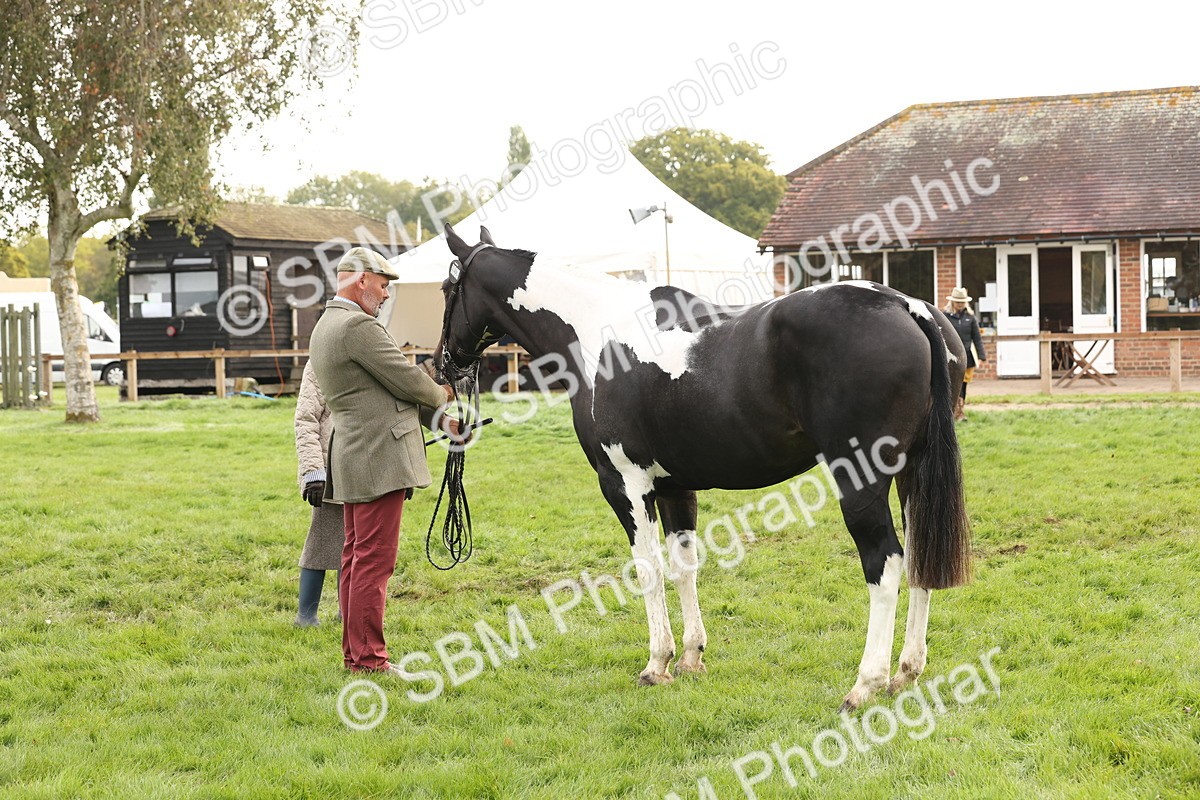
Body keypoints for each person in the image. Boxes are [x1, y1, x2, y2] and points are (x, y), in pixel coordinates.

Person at [308, 247, 465, 675]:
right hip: (377, 459)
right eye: (383, 284)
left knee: (356, 559)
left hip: (355, 455)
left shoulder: (327, 325)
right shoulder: (358, 326)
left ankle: (357, 658)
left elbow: (381, 393)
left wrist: (442, 423)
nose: (387, 294)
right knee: (374, 563)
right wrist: (442, 395)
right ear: (361, 280)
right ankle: (371, 662)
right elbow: (406, 378)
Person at [293, 359, 341, 627]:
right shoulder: (320, 361)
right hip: (328, 471)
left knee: (355, 544)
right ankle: (306, 616)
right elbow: (306, 419)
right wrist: (313, 472)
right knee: (320, 544)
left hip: (361, 466)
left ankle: (348, 612)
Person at [943, 286, 986, 421]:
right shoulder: (945, 316)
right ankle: (952, 410)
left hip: (967, 355)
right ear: (952, 302)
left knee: (964, 383)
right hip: (950, 356)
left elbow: (977, 337)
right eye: (957, 302)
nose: (960, 304)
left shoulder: (970, 318)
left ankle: (960, 410)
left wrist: (981, 355)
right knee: (952, 383)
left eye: (962, 302)